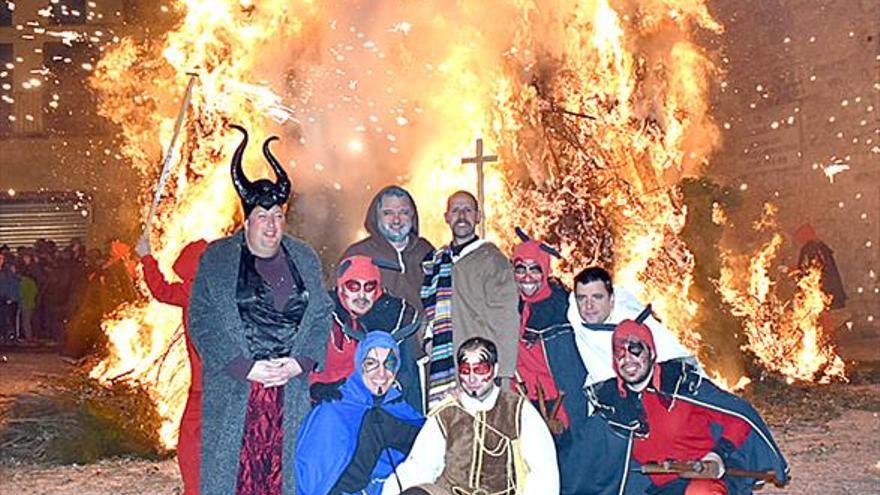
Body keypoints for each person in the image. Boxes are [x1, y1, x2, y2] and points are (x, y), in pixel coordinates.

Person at [188, 125, 333, 495]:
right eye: (263, 217)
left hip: (289, 388)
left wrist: (301, 361)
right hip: (239, 387)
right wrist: (244, 366)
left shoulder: (304, 257)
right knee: (234, 479)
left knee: (285, 479)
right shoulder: (218, 259)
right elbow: (202, 321)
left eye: (278, 217)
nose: (272, 226)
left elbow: (319, 315)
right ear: (247, 220)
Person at [583, 320, 788, 495]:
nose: (628, 359)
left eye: (636, 350)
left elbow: (738, 419)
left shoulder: (681, 384)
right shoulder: (612, 403)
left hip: (705, 483)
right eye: (620, 352)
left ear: (652, 353)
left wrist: (718, 454)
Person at [382, 337, 558, 495]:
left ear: (495, 370)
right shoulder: (447, 412)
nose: (472, 378)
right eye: (466, 370)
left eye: (480, 369)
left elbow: (543, 471)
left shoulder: (519, 410)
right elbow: (420, 465)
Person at [421, 191, 519, 409]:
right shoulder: (437, 261)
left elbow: (507, 320)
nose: (461, 216)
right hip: (446, 366)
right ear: (446, 217)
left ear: (478, 216)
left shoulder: (493, 260)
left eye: (467, 210)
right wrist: (429, 340)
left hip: (481, 369)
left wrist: (502, 374)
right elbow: (431, 309)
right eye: (455, 210)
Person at [296, 331, 424, 495]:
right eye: (371, 363)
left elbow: (429, 438)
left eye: (389, 364)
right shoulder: (333, 408)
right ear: (359, 364)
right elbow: (309, 477)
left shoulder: (396, 406)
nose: (381, 374)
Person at [509, 231, 587, 493]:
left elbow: (572, 373)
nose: (527, 277)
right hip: (523, 407)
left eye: (535, 269)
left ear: (545, 271)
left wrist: (562, 419)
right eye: (520, 269)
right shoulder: (508, 305)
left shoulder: (564, 308)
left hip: (558, 412)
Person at [136, 237, 208, 495]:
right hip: (232, 383)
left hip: (205, 387)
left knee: (190, 445)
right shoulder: (225, 288)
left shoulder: (195, 290)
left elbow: (161, 290)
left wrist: (146, 257)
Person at [310, 255, 422, 411]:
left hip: (379, 411)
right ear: (341, 286)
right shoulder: (320, 314)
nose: (361, 296)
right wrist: (315, 387)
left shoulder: (395, 318)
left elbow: (406, 373)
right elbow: (301, 363)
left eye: (369, 287)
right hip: (328, 407)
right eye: (353, 287)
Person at [568, 266, 696, 386]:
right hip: (600, 391)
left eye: (597, 297)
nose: (588, 306)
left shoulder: (641, 326)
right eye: (582, 298)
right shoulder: (575, 311)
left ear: (612, 299)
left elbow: (683, 361)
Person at [342, 186, 434, 312]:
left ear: (413, 216)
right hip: (373, 331)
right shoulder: (358, 255)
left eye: (404, 212)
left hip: (425, 330)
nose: (396, 220)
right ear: (376, 217)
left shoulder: (426, 252)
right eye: (388, 213)